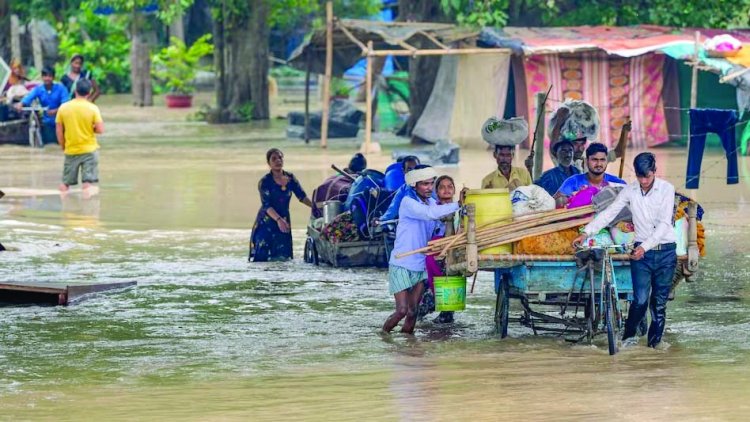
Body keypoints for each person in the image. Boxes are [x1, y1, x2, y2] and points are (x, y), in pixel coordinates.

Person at [572, 152, 677, 348]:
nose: (644, 181)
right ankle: (628, 337)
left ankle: (654, 345)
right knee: (640, 300)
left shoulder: (666, 189)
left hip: (665, 252)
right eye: (640, 176)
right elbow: (609, 213)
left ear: (655, 172)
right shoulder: (630, 190)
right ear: (635, 174)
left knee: (658, 303)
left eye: (647, 176)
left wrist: (644, 247)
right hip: (641, 254)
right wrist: (586, 233)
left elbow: (664, 225)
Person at [383, 165, 460, 334]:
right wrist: (459, 204)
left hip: (420, 264)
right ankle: (383, 336)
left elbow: (440, 223)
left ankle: (408, 348)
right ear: (414, 185)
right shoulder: (408, 203)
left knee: (413, 312)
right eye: (424, 184)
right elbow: (430, 213)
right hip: (402, 263)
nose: (429, 188)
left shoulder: (432, 203)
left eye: (431, 183)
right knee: (402, 310)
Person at [249, 148, 313, 262]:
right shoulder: (265, 182)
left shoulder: (290, 178)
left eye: (280, 158)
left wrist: (315, 207)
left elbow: (302, 197)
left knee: (283, 258)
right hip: (267, 222)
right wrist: (279, 220)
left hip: (284, 221)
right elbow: (266, 205)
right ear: (269, 163)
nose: (278, 160)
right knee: (262, 260)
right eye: (274, 159)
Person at [55, 79, 104, 196]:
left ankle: (65, 208)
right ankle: (87, 212)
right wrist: (91, 128)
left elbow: (59, 131)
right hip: (89, 150)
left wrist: (63, 146)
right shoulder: (93, 108)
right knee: (87, 184)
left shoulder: (63, 108)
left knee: (65, 184)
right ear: (89, 92)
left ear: (75, 90)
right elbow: (100, 130)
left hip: (71, 150)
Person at [421, 175, 459, 324]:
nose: (446, 190)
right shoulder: (432, 210)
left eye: (450, 186)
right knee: (422, 309)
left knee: (448, 312)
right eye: (442, 187)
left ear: (454, 190)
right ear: (437, 191)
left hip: (454, 256)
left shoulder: (460, 210)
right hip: (436, 258)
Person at [16, 66, 69, 144]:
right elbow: (29, 97)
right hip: (47, 122)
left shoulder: (61, 89)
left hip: (61, 122)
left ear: (53, 78)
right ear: (42, 77)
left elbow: (66, 104)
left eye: (49, 76)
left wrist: (56, 111)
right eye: (45, 76)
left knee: (62, 143)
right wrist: (21, 104)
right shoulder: (38, 89)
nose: (47, 78)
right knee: (49, 144)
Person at [555, 142, 625, 200]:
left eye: (602, 160)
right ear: (586, 161)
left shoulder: (617, 183)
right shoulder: (573, 182)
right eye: (594, 159)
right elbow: (556, 202)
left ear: (606, 161)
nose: (599, 164)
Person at [379, 156, 420, 222]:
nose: (413, 172)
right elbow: (392, 211)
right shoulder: (402, 190)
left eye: (416, 169)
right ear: (403, 171)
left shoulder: (429, 185)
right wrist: (380, 219)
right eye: (409, 169)